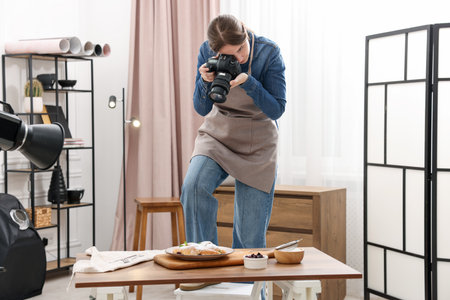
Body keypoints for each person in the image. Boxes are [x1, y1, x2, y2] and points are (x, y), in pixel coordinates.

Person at [181, 14, 286, 250]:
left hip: (258, 141)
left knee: (249, 239)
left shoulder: (269, 52)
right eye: (231, 54)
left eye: (241, 48)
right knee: (193, 189)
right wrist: (204, 81)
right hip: (218, 134)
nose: (240, 56)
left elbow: (277, 109)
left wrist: (249, 82)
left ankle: (248, 286)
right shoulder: (206, 52)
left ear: (245, 32)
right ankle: (204, 263)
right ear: (216, 51)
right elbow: (202, 108)